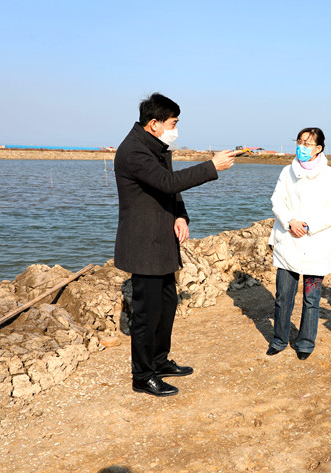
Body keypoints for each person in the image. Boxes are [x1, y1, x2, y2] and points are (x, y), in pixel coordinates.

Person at [114, 92, 241, 397]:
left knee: (167, 304)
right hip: (144, 244)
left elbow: (168, 188)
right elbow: (168, 182)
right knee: (146, 314)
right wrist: (211, 166)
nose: (176, 130)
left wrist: (180, 215)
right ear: (154, 124)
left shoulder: (154, 147)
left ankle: (159, 361)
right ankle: (142, 376)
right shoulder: (134, 151)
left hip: (162, 240)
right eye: (173, 123)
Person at [266, 127, 331, 360]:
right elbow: (277, 200)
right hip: (288, 238)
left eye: (307, 144)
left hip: (316, 241)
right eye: (299, 142)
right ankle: (279, 340)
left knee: (312, 298)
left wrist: (308, 226)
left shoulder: (330, 175)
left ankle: (306, 343)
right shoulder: (287, 171)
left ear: (318, 148)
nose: (302, 147)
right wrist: (290, 222)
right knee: (283, 296)